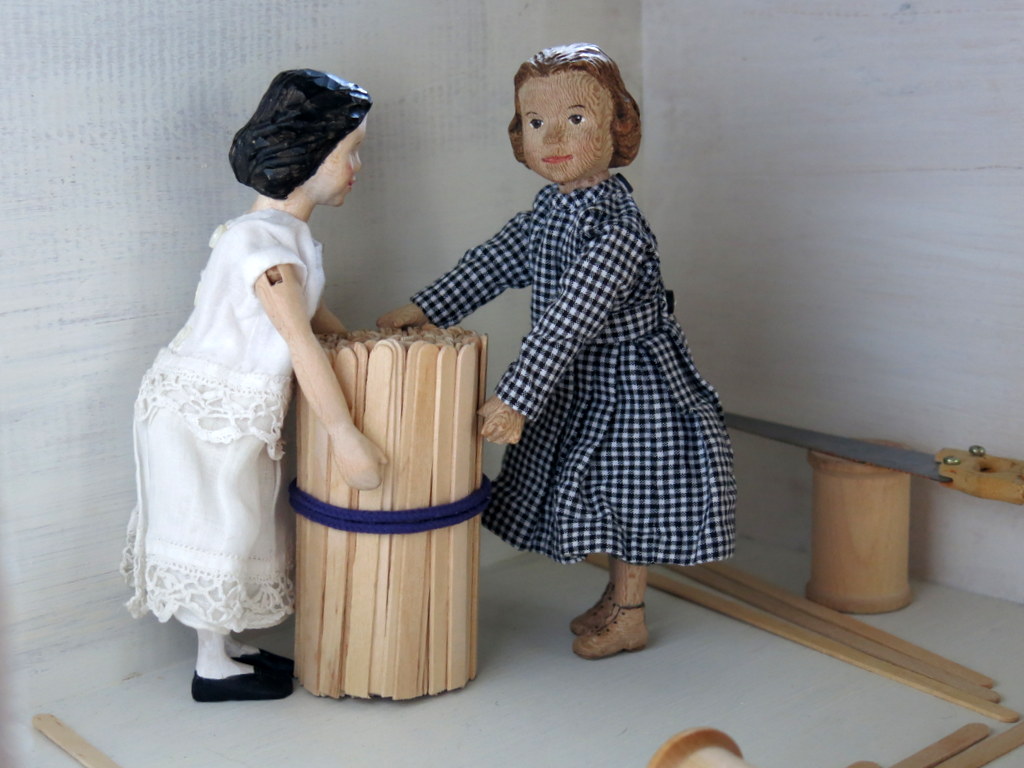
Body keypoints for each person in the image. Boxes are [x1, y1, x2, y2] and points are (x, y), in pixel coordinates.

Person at [378, 44, 736, 660]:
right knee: (591, 487)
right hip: (579, 376)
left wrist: (516, 399)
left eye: (575, 117)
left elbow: (569, 321)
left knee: (629, 494)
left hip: (632, 384)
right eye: (536, 121)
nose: (553, 137)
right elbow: (495, 260)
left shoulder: (616, 230)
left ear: (617, 124)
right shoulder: (553, 209)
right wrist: (427, 307)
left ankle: (630, 614)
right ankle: (616, 598)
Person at [122, 69, 385, 701]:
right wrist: (344, 434)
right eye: (349, 152)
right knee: (219, 526)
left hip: (236, 412)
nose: (357, 167)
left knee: (241, 521)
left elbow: (313, 315)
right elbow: (298, 340)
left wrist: (356, 341)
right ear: (308, 153)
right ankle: (211, 666)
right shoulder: (260, 248)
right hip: (203, 413)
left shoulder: (284, 237)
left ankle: (226, 646)